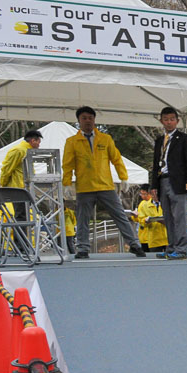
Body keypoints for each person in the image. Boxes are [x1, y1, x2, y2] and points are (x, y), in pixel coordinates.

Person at [62, 106, 144, 259]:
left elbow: (116, 158)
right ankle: (83, 248)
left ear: (94, 120)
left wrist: (123, 177)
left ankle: (134, 244)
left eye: (90, 118)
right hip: (84, 187)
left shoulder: (105, 139)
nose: (88, 121)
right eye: (84, 118)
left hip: (105, 185)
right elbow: (67, 163)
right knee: (82, 218)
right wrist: (66, 182)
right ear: (79, 121)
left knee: (119, 214)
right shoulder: (72, 141)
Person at [152, 106, 187, 261]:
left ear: (177, 121)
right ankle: (171, 247)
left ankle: (181, 248)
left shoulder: (184, 139)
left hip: (178, 182)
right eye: (166, 119)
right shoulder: (159, 141)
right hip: (162, 180)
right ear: (161, 121)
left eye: (172, 119)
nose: (169, 122)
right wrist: (153, 186)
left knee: (179, 216)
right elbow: (154, 165)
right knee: (168, 217)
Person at [0, 129, 42, 221]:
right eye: (38, 142)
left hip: (24, 188)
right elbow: (7, 169)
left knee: (24, 215)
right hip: (18, 188)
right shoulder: (19, 150)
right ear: (33, 141)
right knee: (20, 216)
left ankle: (23, 235)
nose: (39, 145)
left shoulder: (26, 151)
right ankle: (19, 235)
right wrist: (3, 183)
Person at [137, 185, 167, 254]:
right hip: (154, 239)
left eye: (156, 193)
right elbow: (141, 219)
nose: (154, 195)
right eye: (152, 193)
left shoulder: (167, 203)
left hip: (168, 238)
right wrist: (145, 221)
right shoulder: (144, 205)